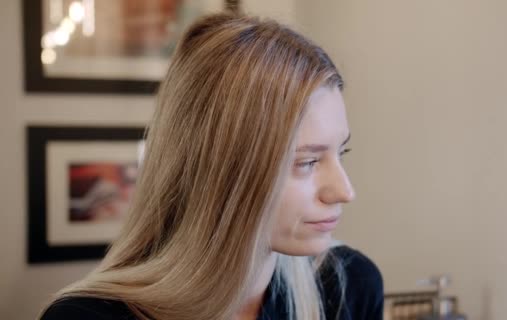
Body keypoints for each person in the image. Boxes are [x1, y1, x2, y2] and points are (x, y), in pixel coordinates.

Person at [40, 12, 383, 320]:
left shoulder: (348, 286)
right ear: (223, 172)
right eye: (307, 162)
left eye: (342, 152)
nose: (344, 191)